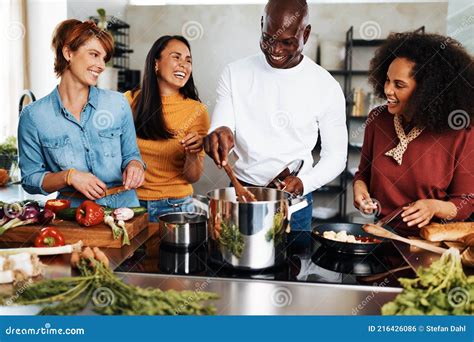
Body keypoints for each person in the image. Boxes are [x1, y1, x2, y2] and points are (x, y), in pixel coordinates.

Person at [204, 0, 347, 231]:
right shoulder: (235, 73)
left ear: (306, 34)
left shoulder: (325, 86)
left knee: (295, 265)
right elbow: (223, 126)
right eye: (268, 38)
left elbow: (337, 156)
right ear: (262, 24)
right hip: (242, 195)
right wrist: (219, 135)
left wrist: (304, 182)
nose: (275, 49)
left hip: (294, 202)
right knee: (235, 261)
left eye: (287, 42)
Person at [18, 19, 145, 208]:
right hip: (73, 215)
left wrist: (135, 165)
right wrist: (69, 176)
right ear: (68, 53)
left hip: (125, 210)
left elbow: (132, 154)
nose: (101, 65)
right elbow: (30, 179)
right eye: (94, 54)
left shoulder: (117, 103)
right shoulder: (34, 116)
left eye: (104, 58)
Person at [353, 32, 473, 230]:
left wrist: (433, 207)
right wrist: (360, 189)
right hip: (381, 235)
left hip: (429, 244)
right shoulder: (378, 120)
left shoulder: (460, 132)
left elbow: (466, 203)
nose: (388, 91)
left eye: (399, 85)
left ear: (427, 91)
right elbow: (363, 174)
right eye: (387, 80)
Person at [125, 35, 210, 222]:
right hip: (130, 204)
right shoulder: (128, 102)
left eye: (188, 60)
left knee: (171, 252)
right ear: (156, 63)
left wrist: (193, 153)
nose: (184, 65)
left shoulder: (197, 111)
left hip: (176, 206)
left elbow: (192, 176)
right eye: (176, 57)